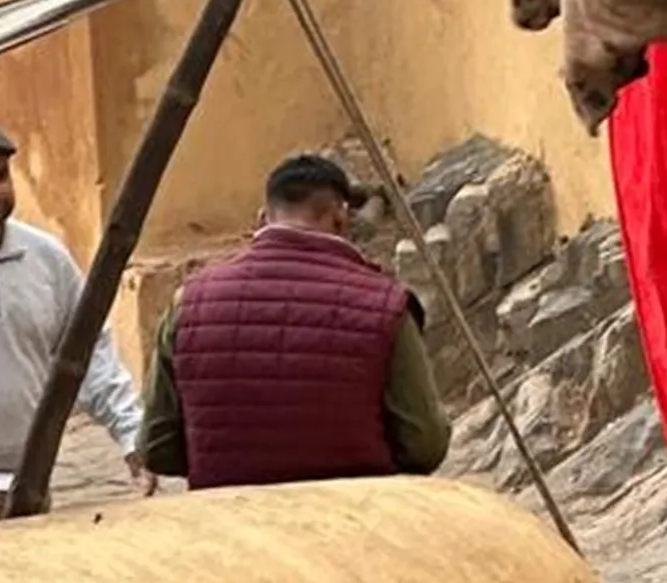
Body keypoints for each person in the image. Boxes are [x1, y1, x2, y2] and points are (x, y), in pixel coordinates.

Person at [138, 152, 451, 489]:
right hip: (354, 520)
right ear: (341, 218)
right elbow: (425, 446)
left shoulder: (189, 303)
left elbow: (156, 447)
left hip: (229, 523)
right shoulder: (386, 305)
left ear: (262, 220)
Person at [0, 121, 146, 511]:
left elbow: (89, 352)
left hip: (30, 480)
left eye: (0, 176)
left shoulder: (45, 258)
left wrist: (132, 434)